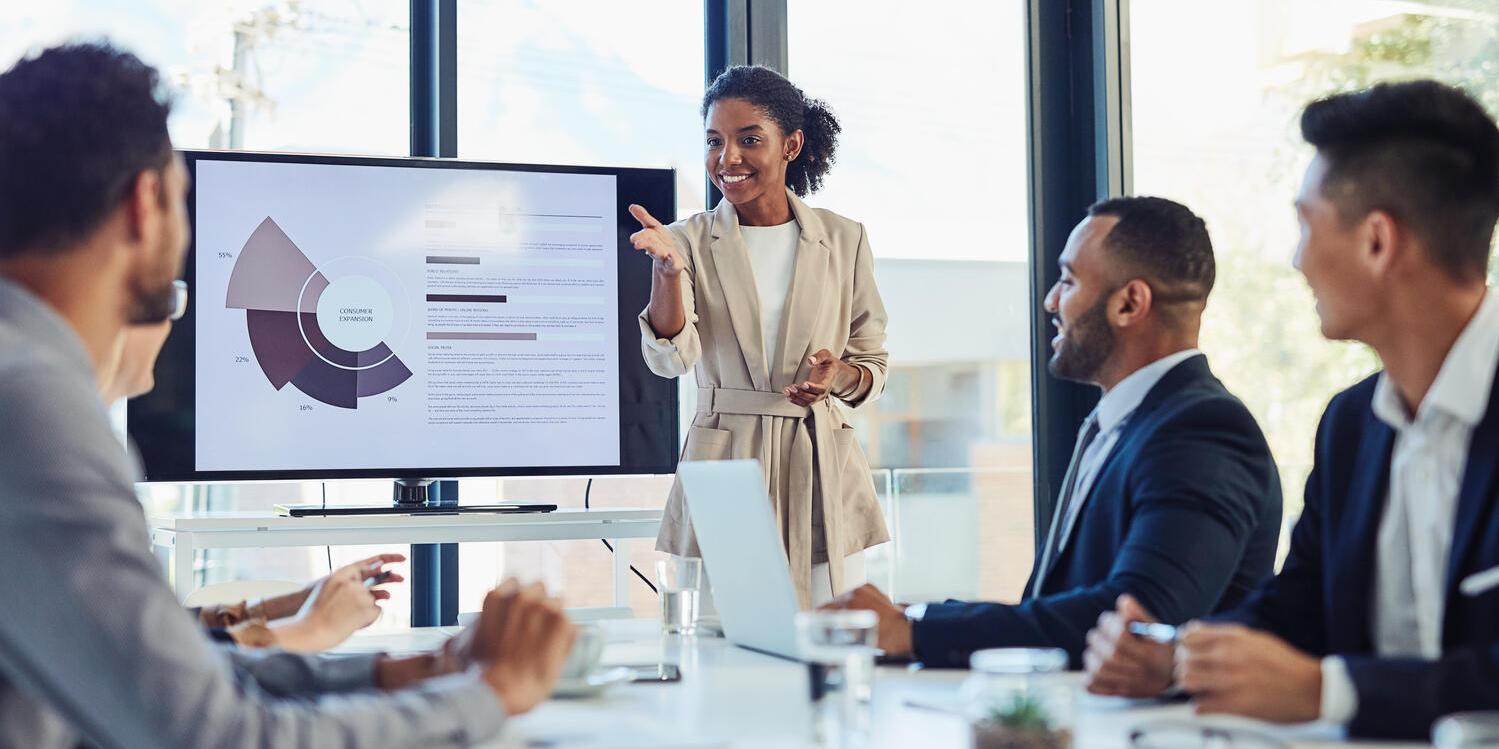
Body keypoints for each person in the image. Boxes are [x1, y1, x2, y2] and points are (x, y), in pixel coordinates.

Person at [0, 42, 575, 747]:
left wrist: (402, 672)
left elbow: (162, 677)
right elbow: (213, 735)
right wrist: (489, 694)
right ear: (145, 204)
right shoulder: (32, 406)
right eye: (185, 196)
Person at [1082, 80, 1499, 739]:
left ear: (1376, 242)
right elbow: (1295, 608)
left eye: (1305, 225)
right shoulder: (1351, 424)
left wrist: (1328, 690)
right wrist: (1178, 656)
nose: (1295, 259)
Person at [825, 197, 1282, 667]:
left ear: (1129, 303)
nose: (1051, 301)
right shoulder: (1126, 424)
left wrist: (918, 632)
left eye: (1068, 280)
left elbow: (1134, 622)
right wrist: (912, 617)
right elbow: (1056, 606)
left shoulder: (1203, 430)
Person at [630, 65, 889, 607]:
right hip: (726, 460)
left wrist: (835, 377)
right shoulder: (684, 241)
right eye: (714, 142)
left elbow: (870, 365)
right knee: (726, 640)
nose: (728, 159)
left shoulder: (845, 239)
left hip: (820, 462)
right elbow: (670, 360)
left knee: (830, 638)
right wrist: (668, 275)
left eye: (749, 139)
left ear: (791, 144)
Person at [100, 309, 406, 652]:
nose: (169, 324)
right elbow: (149, 660)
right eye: (168, 301)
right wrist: (314, 629)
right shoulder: (74, 462)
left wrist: (296, 603)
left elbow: (147, 626)